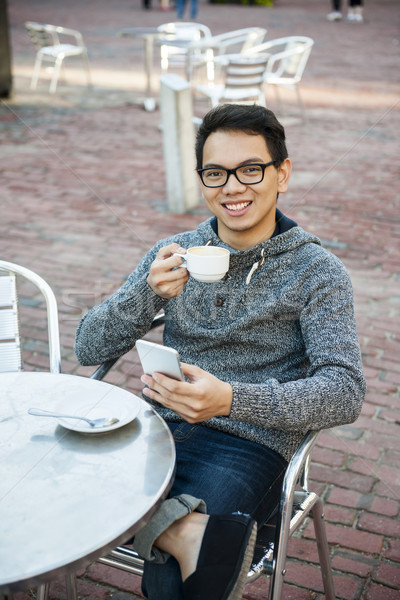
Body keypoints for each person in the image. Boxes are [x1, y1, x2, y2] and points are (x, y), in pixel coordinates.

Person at [74, 103, 366, 600]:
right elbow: (88, 346)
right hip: (155, 427)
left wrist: (230, 400)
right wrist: (146, 294)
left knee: (172, 578)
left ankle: (191, 530)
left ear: (282, 174)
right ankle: (181, 528)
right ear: (202, 181)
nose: (232, 187)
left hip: (248, 444)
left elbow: (345, 391)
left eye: (250, 169)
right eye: (216, 173)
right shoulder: (173, 252)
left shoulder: (318, 273)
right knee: (41, 482)